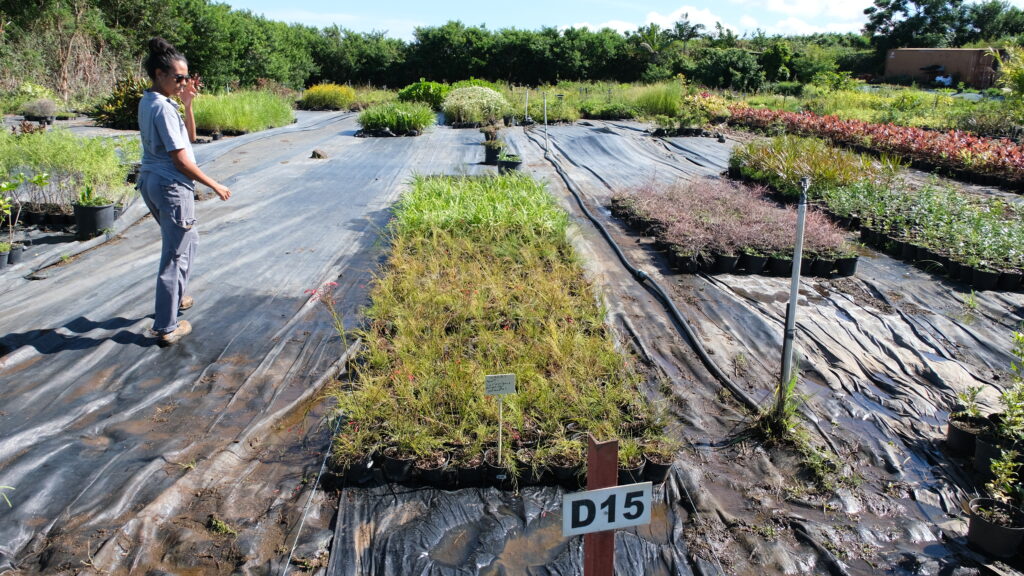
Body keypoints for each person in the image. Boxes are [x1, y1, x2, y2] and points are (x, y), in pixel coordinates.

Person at [138, 37, 231, 345]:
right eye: (178, 78)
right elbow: (180, 160)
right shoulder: (162, 109)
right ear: (159, 74)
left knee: (185, 243)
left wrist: (188, 104)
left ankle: (175, 299)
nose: (183, 82)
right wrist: (214, 184)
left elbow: (189, 137)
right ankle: (166, 326)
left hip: (152, 181)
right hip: (171, 186)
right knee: (175, 255)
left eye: (186, 78)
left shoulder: (152, 101)